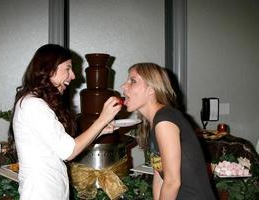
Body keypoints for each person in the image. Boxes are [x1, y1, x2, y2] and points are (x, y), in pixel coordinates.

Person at [12, 44, 122, 200]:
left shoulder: (34, 102)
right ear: (50, 69)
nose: (73, 76)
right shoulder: (33, 105)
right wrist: (102, 119)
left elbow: (61, 146)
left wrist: (100, 130)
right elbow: (69, 151)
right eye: (68, 69)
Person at [121, 63, 216, 200]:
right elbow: (159, 175)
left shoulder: (164, 121)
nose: (124, 86)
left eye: (133, 81)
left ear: (151, 89)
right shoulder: (155, 122)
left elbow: (172, 182)